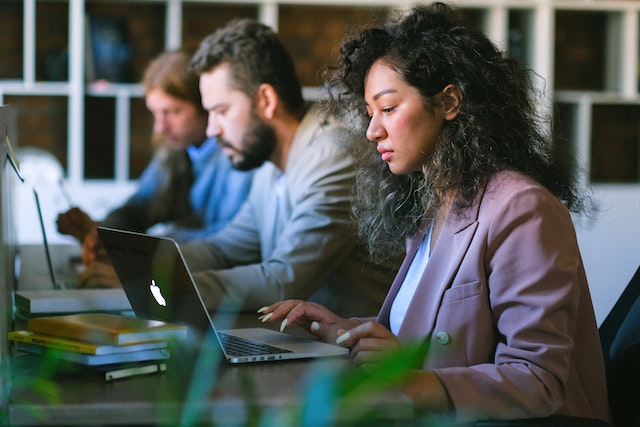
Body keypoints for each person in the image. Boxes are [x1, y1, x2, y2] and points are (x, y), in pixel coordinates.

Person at [258, 3, 611, 424]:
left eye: (388, 109)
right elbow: (435, 326)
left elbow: (538, 381)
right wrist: (346, 332)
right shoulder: (439, 204)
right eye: (370, 114)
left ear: (449, 102)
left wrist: (409, 379)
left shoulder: (522, 208)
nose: (372, 131)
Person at [177, 18, 398, 317]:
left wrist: (169, 285)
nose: (212, 129)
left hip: (358, 356)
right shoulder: (270, 164)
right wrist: (148, 262)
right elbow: (223, 249)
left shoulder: (335, 154)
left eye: (221, 111)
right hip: (305, 346)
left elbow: (284, 281)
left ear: (266, 100)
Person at [56, 49, 253, 287]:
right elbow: (138, 208)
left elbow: (226, 242)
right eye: (156, 114)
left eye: (172, 112)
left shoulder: (238, 155)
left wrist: (139, 248)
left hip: (221, 284)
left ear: (205, 105)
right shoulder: (174, 150)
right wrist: (104, 231)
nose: (160, 127)